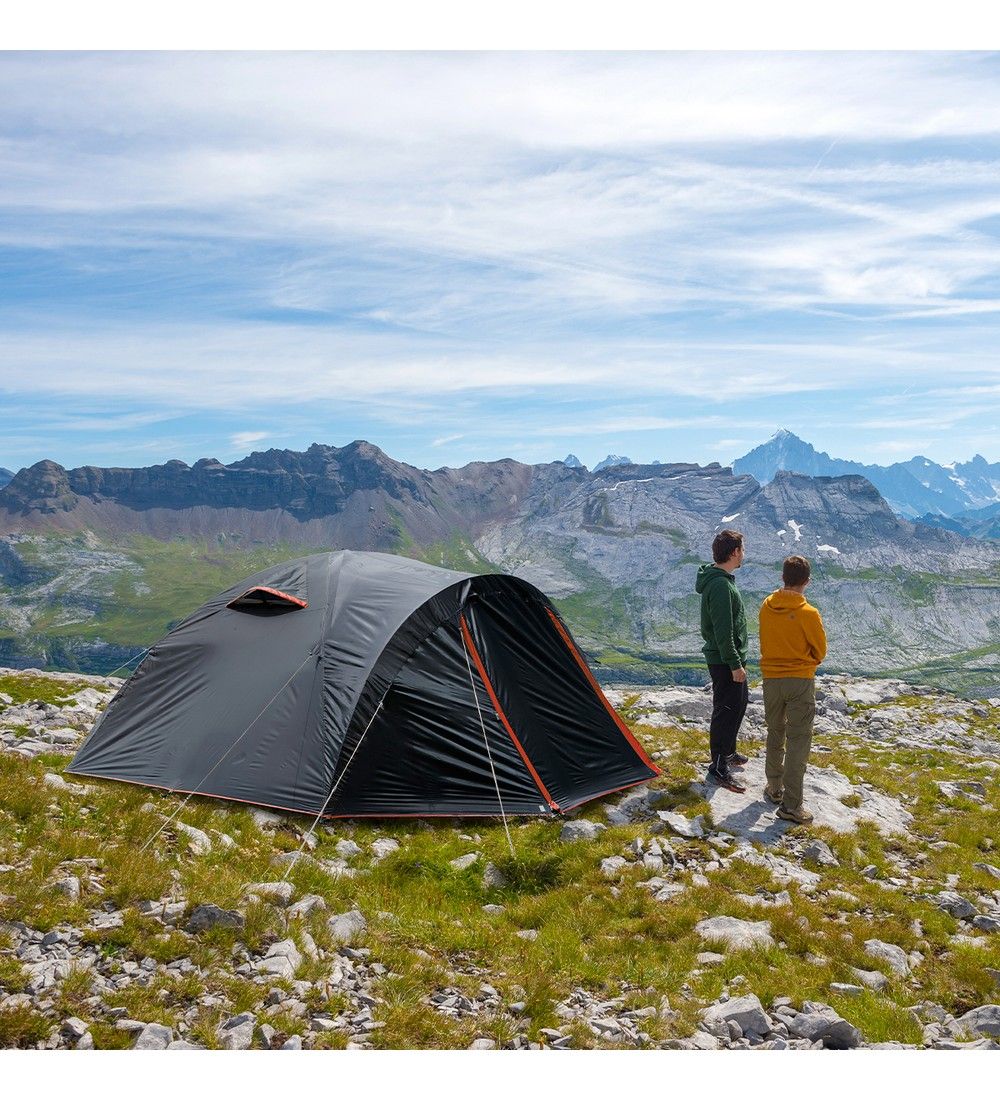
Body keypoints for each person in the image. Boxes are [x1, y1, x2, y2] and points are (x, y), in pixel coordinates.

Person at [759, 554, 828, 825]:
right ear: (807, 582)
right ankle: (792, 805)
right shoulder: (808, 613)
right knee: (799, 739)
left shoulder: (766, 606)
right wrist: (807, 663)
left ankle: (774, 788)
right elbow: (820, 651)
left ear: (782, 578)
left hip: (771, 679)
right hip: (799, 680)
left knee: (775, 731)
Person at [695, 529, 749, 792]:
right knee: (726, 710)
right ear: (735, 552)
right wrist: (734, 663)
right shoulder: (718, 585)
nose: (744, 554)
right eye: (743, 549)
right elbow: (722, 629)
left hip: (730, 657)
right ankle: (718, 766)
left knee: (738, 704)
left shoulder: (723, 580)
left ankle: (728, 752)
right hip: (724, 659)